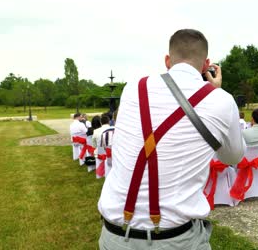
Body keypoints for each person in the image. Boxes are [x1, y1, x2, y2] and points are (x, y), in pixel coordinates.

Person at [98, 29, 245, 249]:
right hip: (175, 240)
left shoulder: (133, 88)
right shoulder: (222, 101)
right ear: (207, 65)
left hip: (115, 236)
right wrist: (215, 91)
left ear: (167, 60)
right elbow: (233, 156)